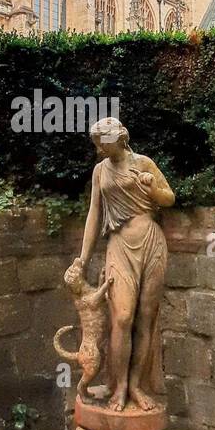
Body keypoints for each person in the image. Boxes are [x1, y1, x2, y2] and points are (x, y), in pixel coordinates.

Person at [70, 116, 175, 412]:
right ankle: (119, 387)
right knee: (123, 317)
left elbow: (168, 198)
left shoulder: (143, 163)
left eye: (103, 143)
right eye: (96, 145)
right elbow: (94, 214)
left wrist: (152, 187)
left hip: (151, 242)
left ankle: (137, 386)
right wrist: (83, 258)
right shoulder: (99, 171)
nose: (100, 150)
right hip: (119, 245)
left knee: (145, 317)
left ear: (120, 139)